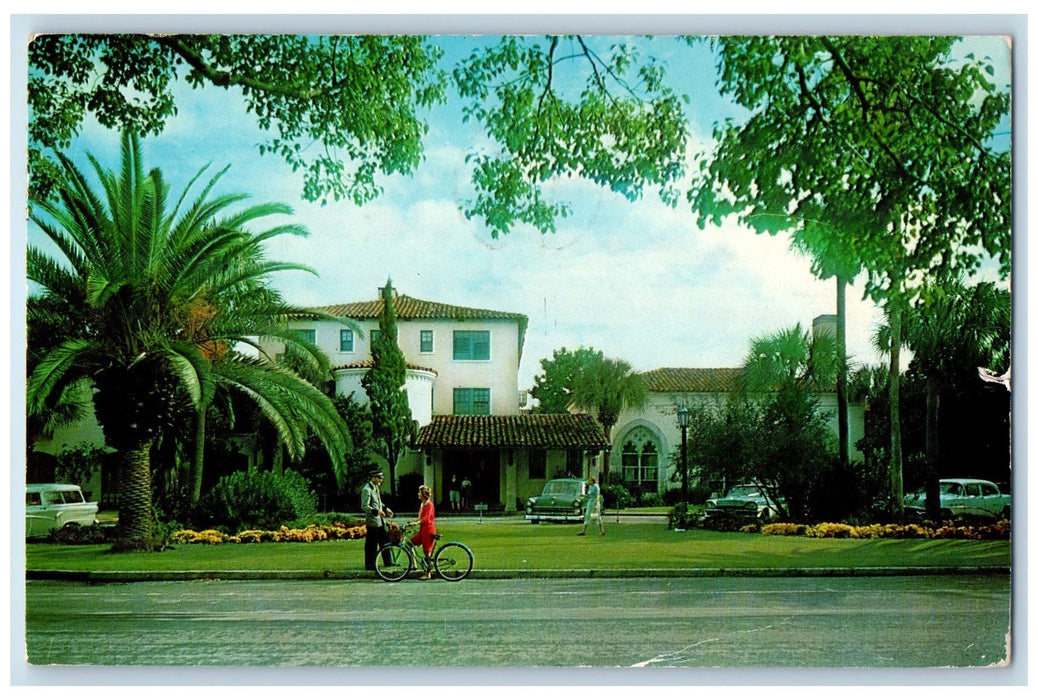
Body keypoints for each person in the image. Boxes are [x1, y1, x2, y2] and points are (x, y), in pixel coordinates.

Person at [361, 470, 394, 571]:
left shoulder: (375, 488)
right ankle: (370, 565)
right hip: (373, 521)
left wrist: (385, 509)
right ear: (374, 478)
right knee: (371, 544)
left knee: (385, 541)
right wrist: (377, 512)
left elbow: (378, 502)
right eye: (379, 478)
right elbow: (365, 506)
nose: (381, 480)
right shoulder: (367, 489)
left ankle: (388, 561)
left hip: (379, 521)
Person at [408, 485, 438, 580]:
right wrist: (414, 523)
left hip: (428, 530)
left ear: (423, 494)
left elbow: (426, 518)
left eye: (419, 492)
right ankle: (414, 564)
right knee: (409, 544)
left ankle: (427, 573)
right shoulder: (422, 505)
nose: (418, 494)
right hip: (423, 530)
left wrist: (416, 522)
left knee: (427, 552)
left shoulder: (429, 505)